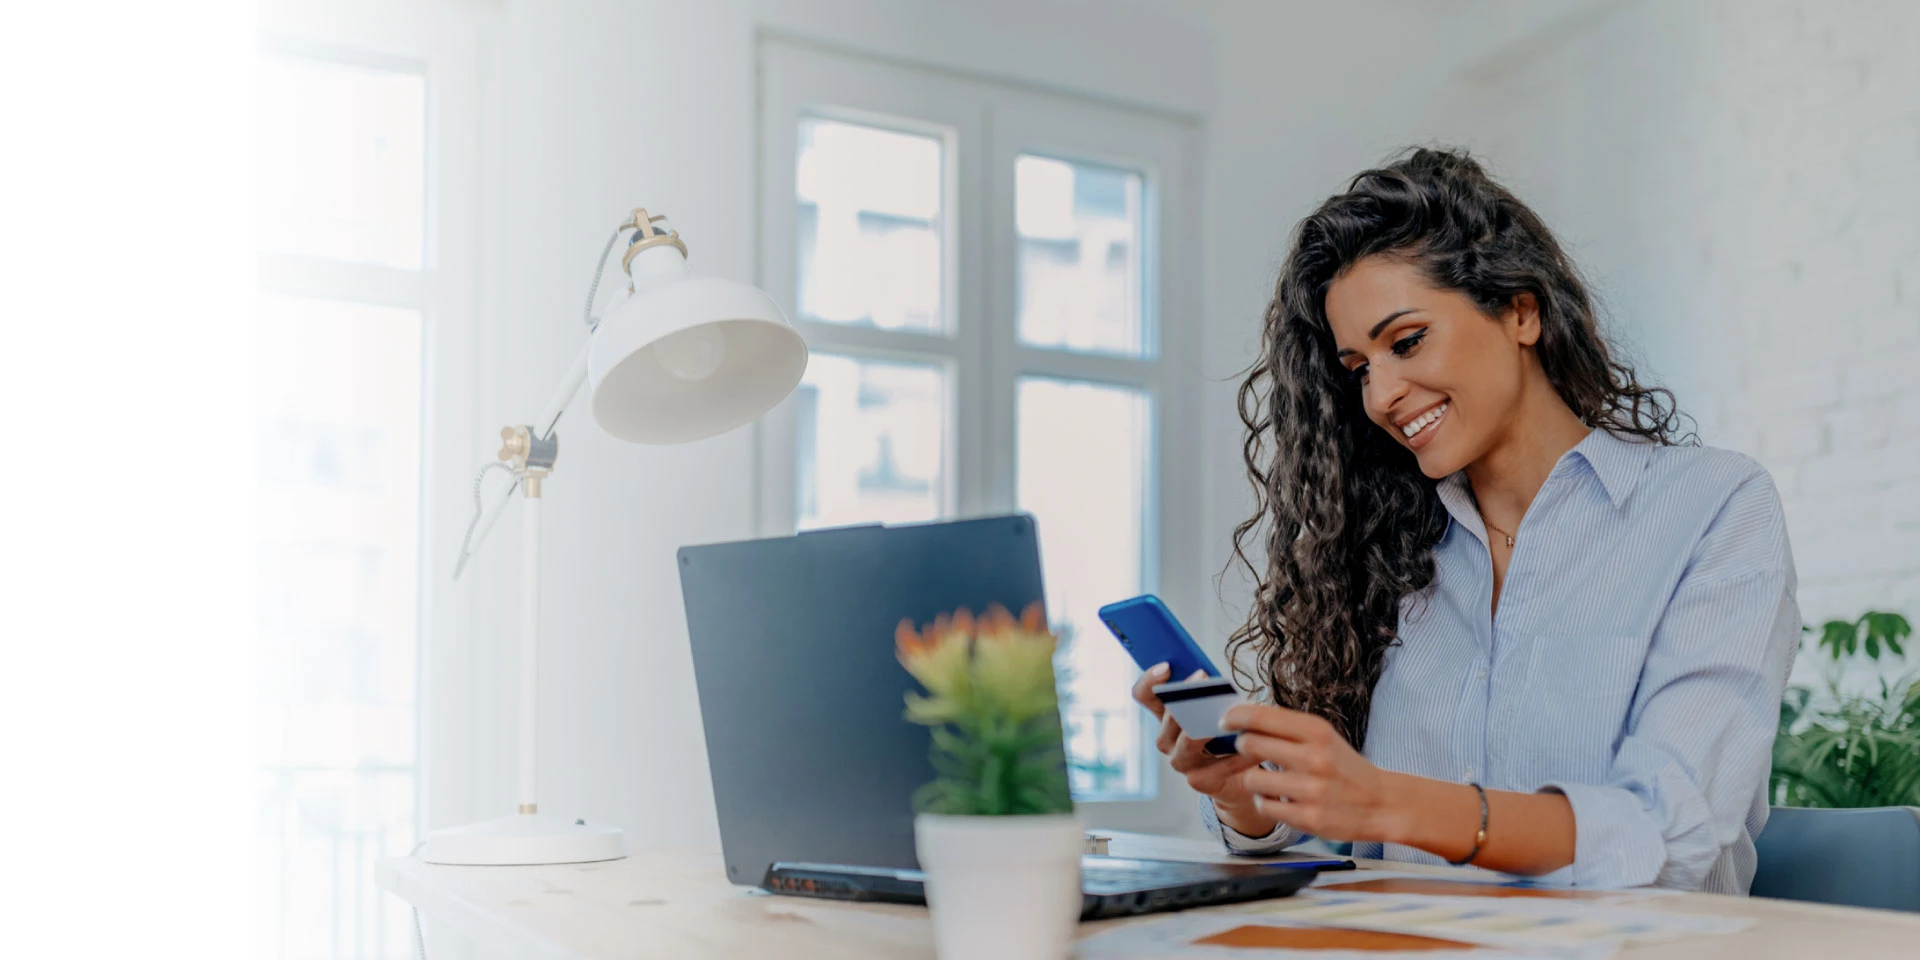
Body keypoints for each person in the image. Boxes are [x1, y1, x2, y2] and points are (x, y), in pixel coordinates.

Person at [1134, 148, 1797, 893]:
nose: (1382, 394)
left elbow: (1667, 830)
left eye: (1406, 341)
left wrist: (1390, 802)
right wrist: (1247, 801)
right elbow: (1342, 855)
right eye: (1358, 369)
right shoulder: (1390, 553)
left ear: (1520, 309)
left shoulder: (1712, 508)